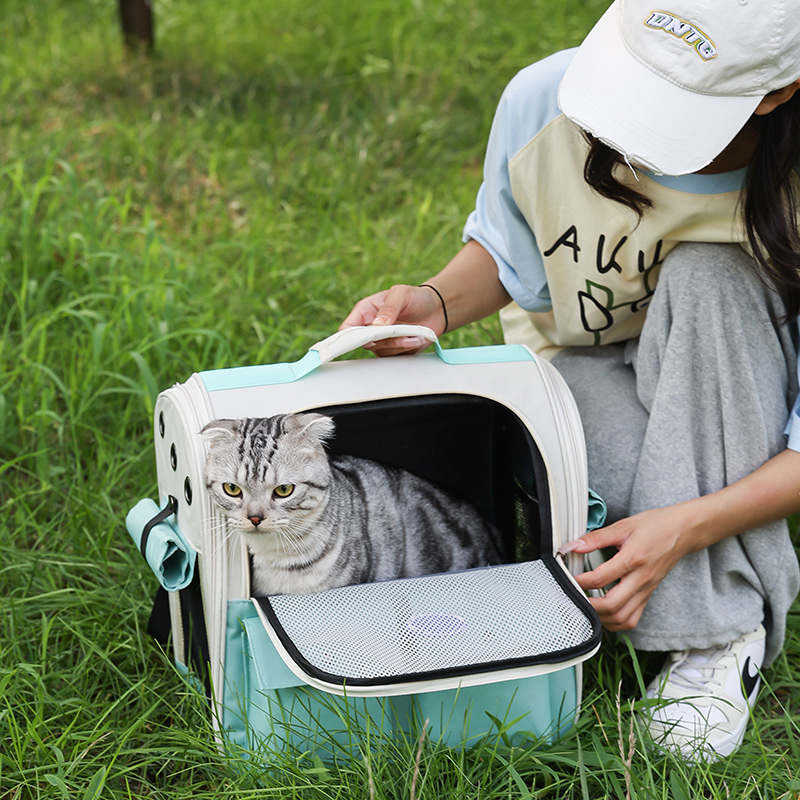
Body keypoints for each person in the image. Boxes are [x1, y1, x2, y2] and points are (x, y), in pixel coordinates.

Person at [340, 0, 800, 762]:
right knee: (577, 455)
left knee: (714, 272)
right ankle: (710, 596)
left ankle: (719, 635)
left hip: (739, 384)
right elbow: (507, 248)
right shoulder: (543, 97)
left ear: (779, 91)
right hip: (581, 367)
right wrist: (434, 303)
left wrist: (682, 525)